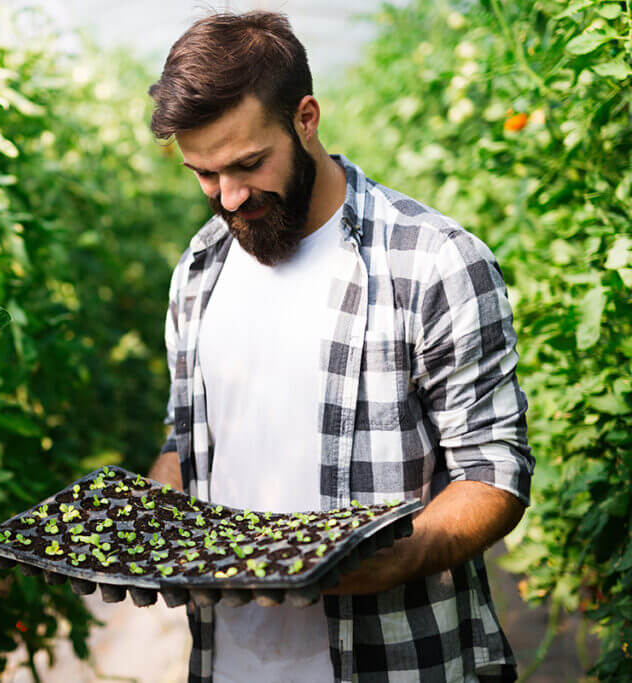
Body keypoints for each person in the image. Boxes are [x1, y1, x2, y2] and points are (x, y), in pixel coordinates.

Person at [145, 11, 534, 683]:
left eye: (247, 163)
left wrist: (401, 556)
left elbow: (494, 470)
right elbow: (186, 443)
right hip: (229, 661)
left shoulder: (433, 262)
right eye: (203, 173)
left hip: (395, 661)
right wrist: (152, 512)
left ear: (306, 118)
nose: (229, 196)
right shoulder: (200, 270)